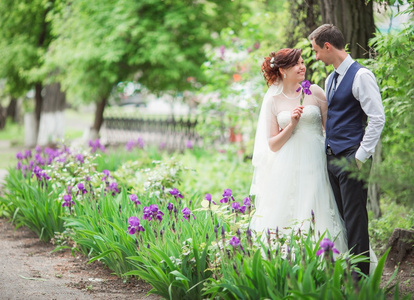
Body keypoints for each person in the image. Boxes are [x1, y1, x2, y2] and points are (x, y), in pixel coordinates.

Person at [249, 48, 347, 253]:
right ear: (283, 70)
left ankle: (327, 259)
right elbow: (273, 144)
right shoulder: (273, 101)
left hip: (316, 161)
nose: (302, 67)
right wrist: (291, 125)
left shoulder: (315, 92)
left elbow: (330, 129)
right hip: (287, 166)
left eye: (302, 62)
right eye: (296, 64)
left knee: (318, 206)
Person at [308, 24, 385, 276]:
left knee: (355, 221)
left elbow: (377, 118)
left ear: (328, 46)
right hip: (332, 160)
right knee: (342, 219)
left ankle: (360, 280)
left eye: (316, 51)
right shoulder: (330, 78)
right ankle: (347, 273)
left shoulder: (361, 76)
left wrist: (360, 158)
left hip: (352, 158)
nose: (316, 56)